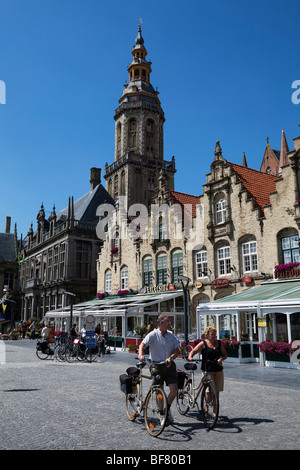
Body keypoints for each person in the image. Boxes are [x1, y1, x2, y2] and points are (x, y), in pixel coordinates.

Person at [138, 314, 180, 426]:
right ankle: (161, 413)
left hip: (169, 364)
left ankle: (167, 409)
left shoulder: (171, 335)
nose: (169, 324)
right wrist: (141, 354)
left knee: (174, 389)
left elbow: (177, 350)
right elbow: (142, 344)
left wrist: (171, 357)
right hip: (156, 366)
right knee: (159, 390)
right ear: (161, 324)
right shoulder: (153, 334)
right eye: (167, 322)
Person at [188, 326, 228, 407]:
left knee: (216, 391)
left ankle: (215, 410)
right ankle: (206, 408)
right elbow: (193, 351)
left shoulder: (219, 343)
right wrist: (190, 357)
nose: (214, 336)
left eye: (215, 334)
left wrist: (221, 359)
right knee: (209, 390)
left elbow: (225, 355)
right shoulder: (203, 343)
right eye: (212, 334)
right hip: (207, 370)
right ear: (207, 335)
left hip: (218, 369)